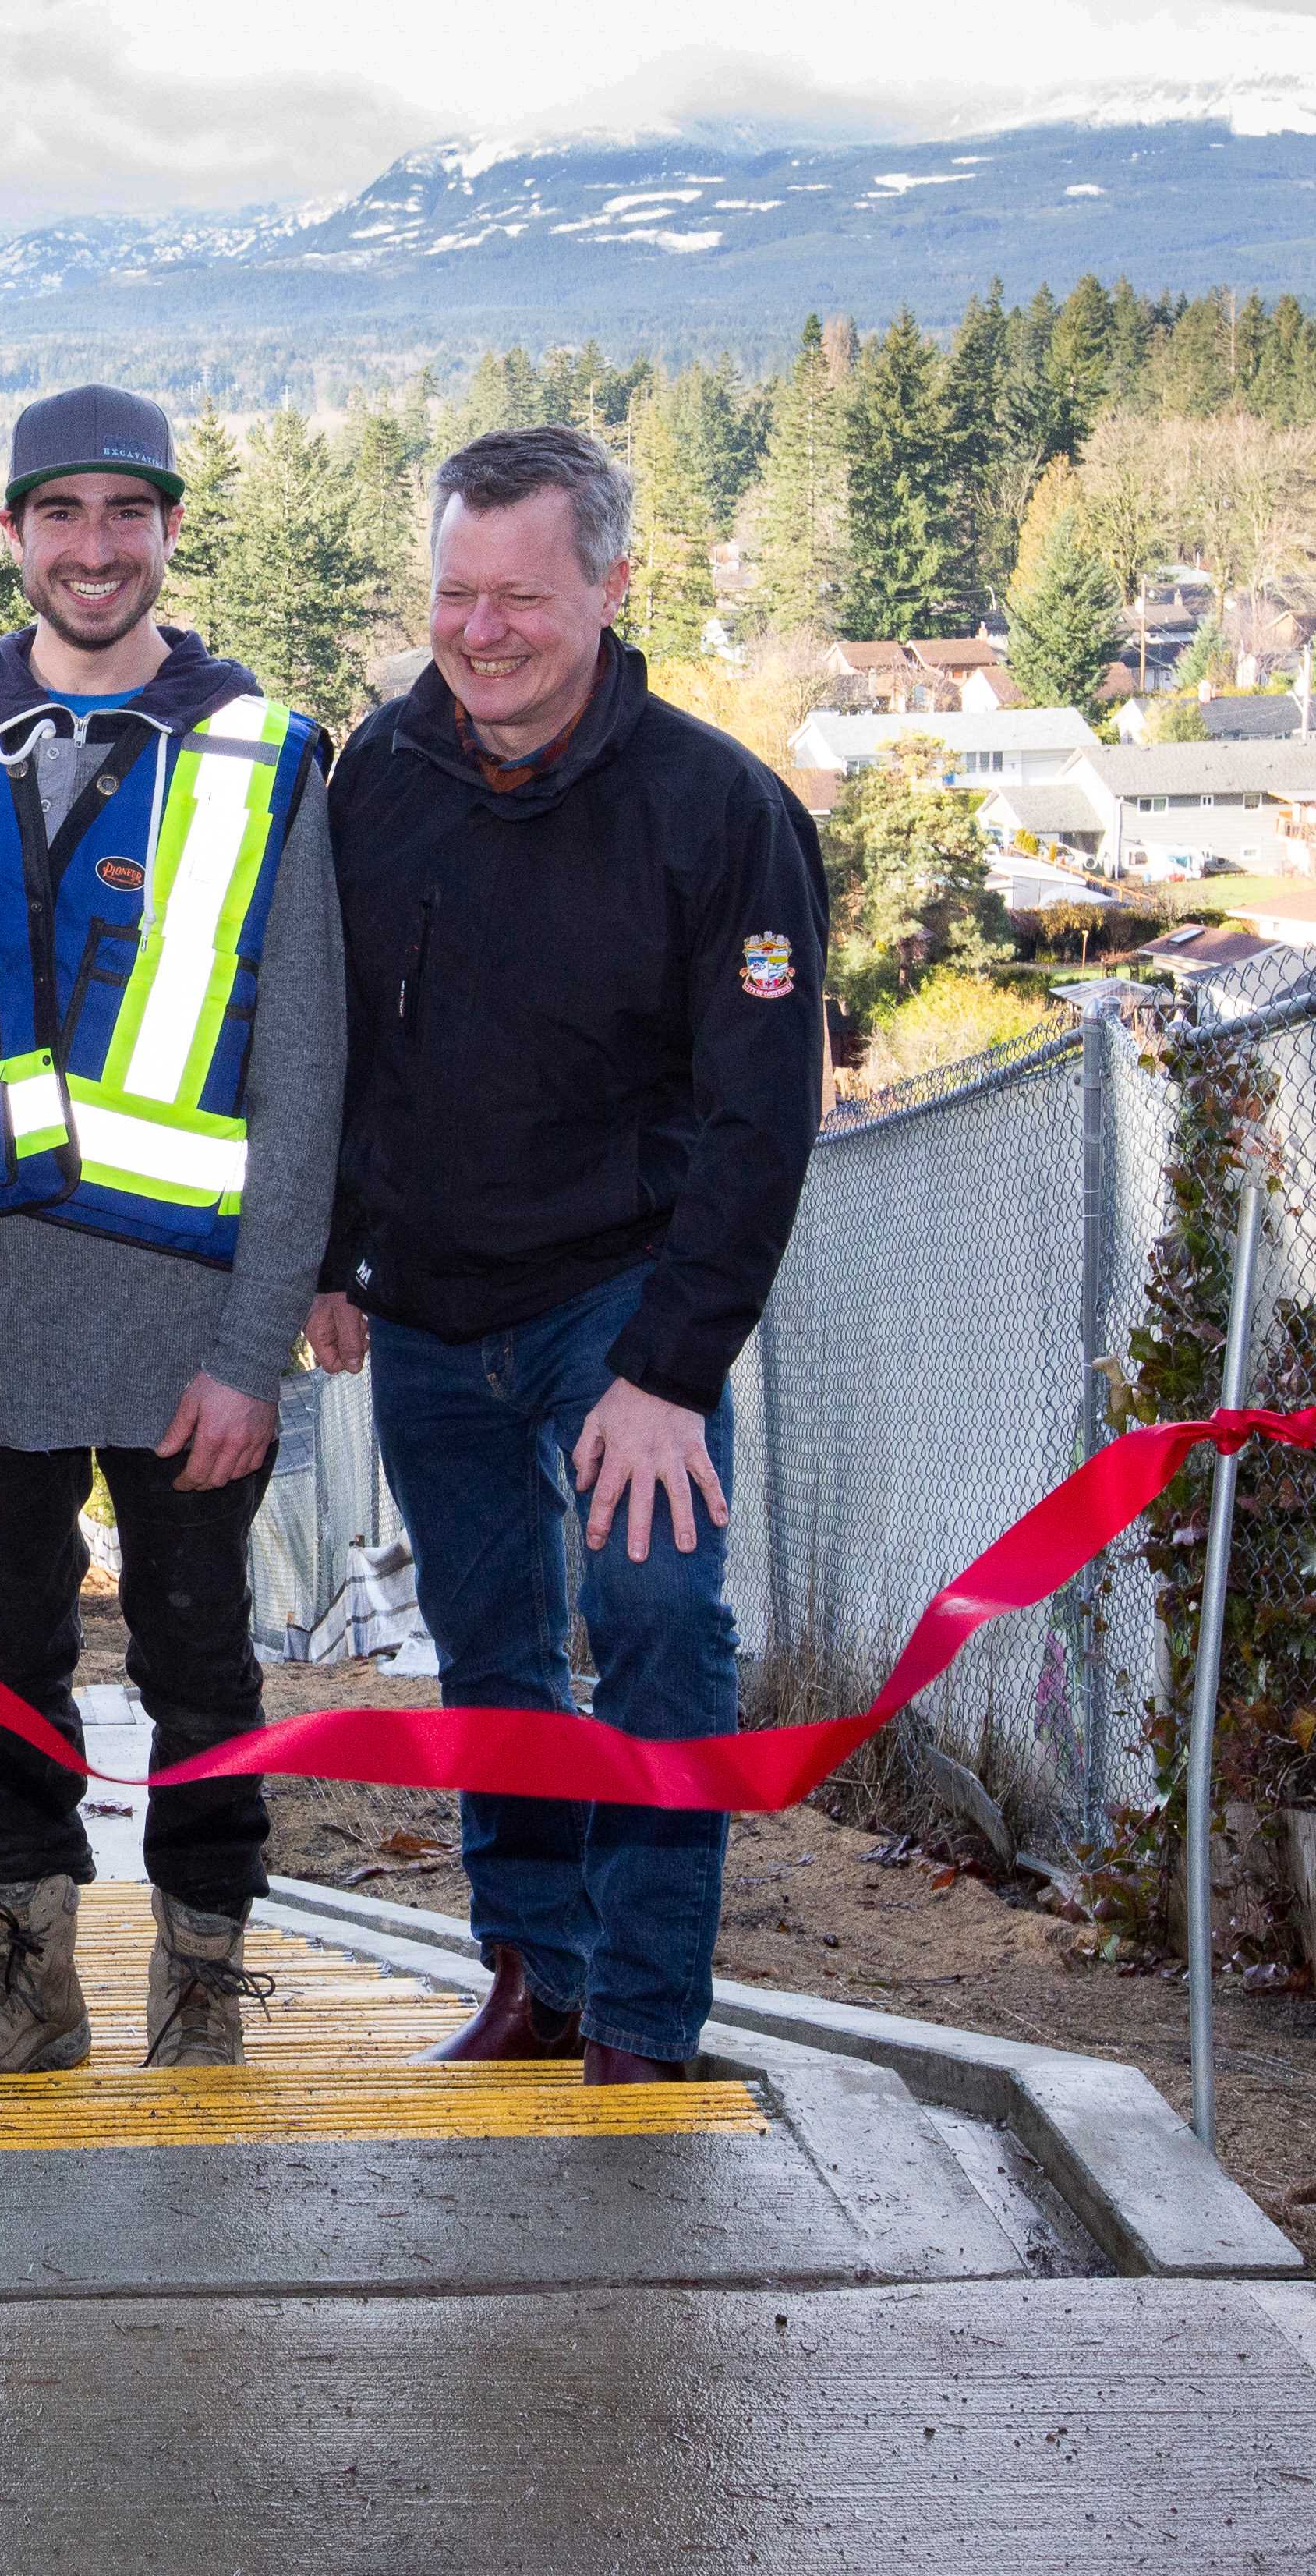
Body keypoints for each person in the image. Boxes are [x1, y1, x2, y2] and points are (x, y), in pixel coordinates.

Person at [310, 426, 827, 2086]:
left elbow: (762, 1122)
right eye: (455, 594)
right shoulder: (377, 781)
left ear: (611, 586)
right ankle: (537, 1972)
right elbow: (330, 1043)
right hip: (432, 1315)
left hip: (623, 1311)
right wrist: (330, 1253)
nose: (481, 632)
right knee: (492, 1658)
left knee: (662, 1625)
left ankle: (651, 2020)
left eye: (522, 596)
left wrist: (672, 1374)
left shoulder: (722, 814)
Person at [0, 381, 341, 2074]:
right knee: (7, 1644)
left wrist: (252, 1348)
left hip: (183, 1317)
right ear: (11, 535)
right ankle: (29, 1974)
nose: (92, 548)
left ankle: (202, 1977)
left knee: (201, 1659)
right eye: (57, 515)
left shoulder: (266, 754)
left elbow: (308, 1081)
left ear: (169, 534)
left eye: (124, 515)